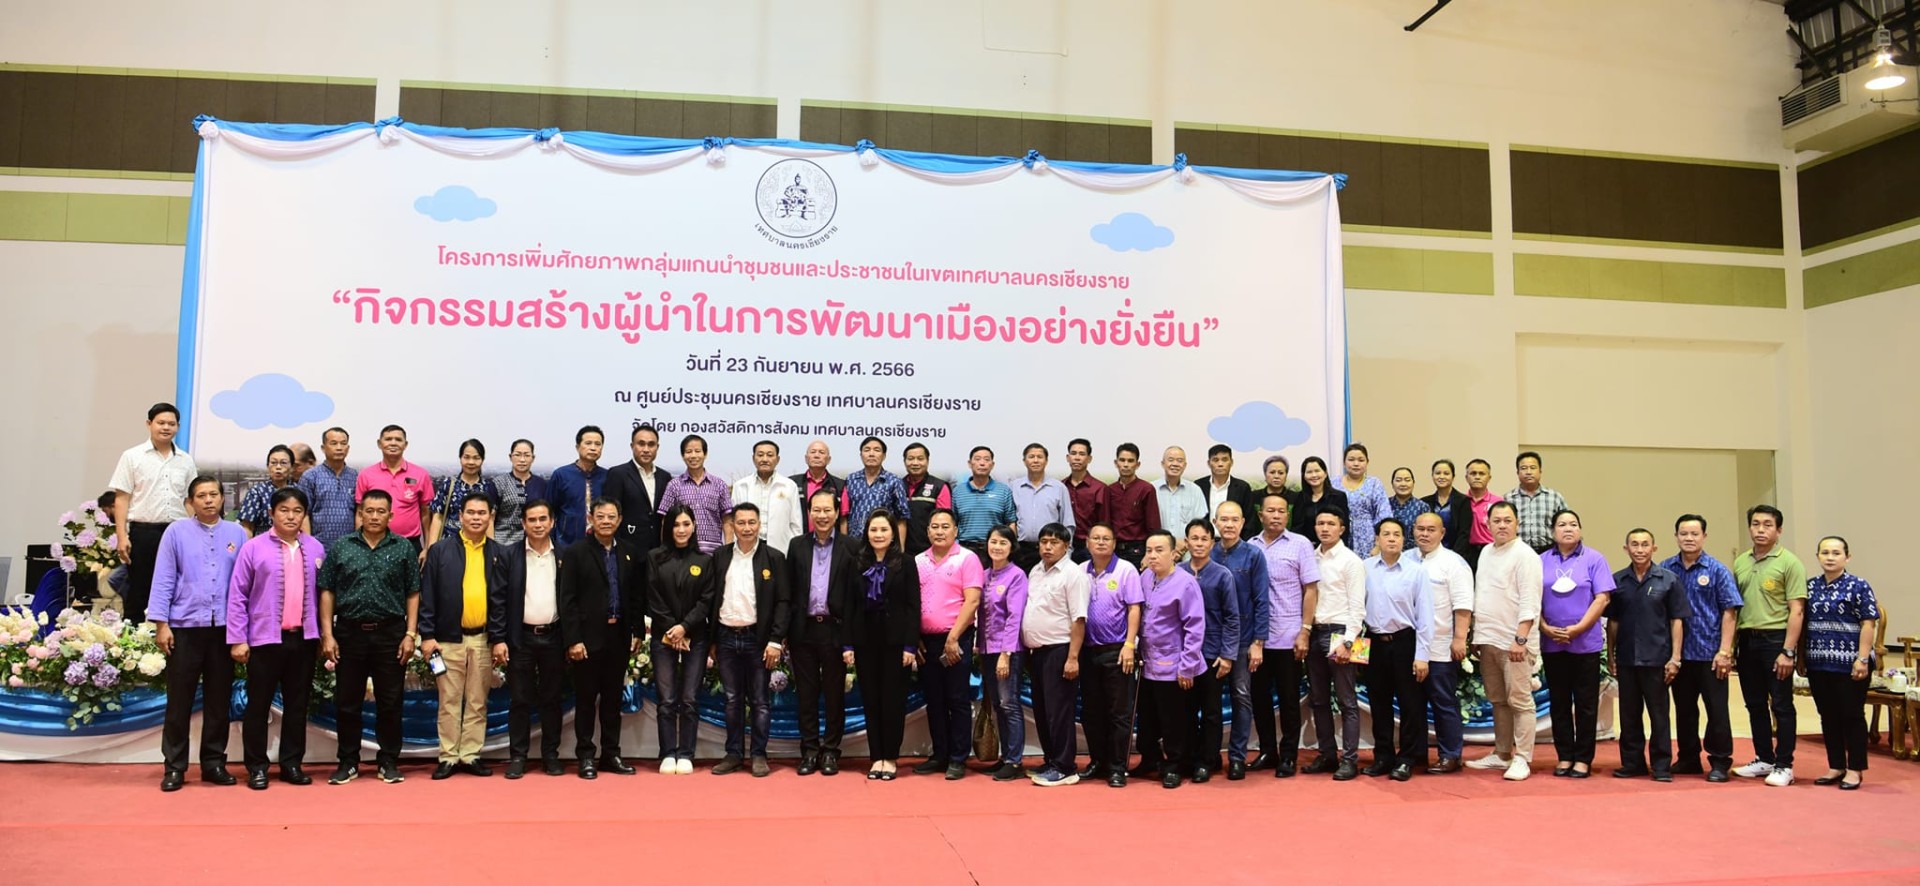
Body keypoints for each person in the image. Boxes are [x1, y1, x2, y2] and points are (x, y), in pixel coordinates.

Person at [315, 489, 420, 786]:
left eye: (380, 511)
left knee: (390, 701)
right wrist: (328, 634)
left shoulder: (403, 548)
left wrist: (410, 634)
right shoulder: (342, 546)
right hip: (350, 633)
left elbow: (413, 592)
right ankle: (348, 761)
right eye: (369, 511)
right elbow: (327, 591)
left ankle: (388, 761)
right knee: (347, 702)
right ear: (360, 513)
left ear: (391, 515)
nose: (374, 516)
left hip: (390, 633)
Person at [149, 475, 246, 791]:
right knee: (179, 701)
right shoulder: (176, 532)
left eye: (213, 494)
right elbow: (164, 578)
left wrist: (242, 630)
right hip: (185, 628)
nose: (208, 500)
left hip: (223, 630)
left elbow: (244, 584)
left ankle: (214, 763)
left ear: (223, 498)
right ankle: (174, 767)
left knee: (219, 701)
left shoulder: (236, 533)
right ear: (190, 502)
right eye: (201, 495)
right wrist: (161, 624)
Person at [226, 487, 323, 790]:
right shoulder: (253, 548)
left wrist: (323, 635)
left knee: (298, 705)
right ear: (271, 513)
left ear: (305, 515)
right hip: (264, 641)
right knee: (258, 706)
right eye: (284, 510)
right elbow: (237, 595)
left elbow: (324, 596)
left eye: (297, 511)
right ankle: (257, 767)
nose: (291, 516)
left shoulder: (316, 548)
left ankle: (292, 764)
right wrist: (238, 638)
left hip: (303, 640)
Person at [419, 493, 509, 779]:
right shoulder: (439, 551)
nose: (476, 518)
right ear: (460, 516)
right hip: (447, 640)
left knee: (477, 701)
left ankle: (470, 755)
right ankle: (448, 756)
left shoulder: (499, 553)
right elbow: (427, 596)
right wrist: (427, 635)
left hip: (483, 639)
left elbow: (502, 601)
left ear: (490, 517)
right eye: (471, 512)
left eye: (482, 513)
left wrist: (499, 638)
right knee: (449, 701)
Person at [558, 498, 644, 778]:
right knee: (585, 700)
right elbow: (567, 600)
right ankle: (585, 756)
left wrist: (637, 631)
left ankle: (611, 754)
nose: (606, 521)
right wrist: (573, 639)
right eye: (601, 516)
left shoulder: (629, 552)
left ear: (620, 520)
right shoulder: (576, 552)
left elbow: (635, 597)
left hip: (618, 635)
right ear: (591, 519)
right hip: (587, 638)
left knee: (612, 700)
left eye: (611, 516)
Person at [710, 502, 790, 778]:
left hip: (758, 639)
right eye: (741, 523)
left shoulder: (774, 558)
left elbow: (783, 602)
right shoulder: (720, 556)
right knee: (732, 699)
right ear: (732, 525)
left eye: (751, 522)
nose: (746, 528)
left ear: (759, 525)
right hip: (726, 637)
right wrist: (712, 640)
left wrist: (775, 640)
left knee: (759, 700)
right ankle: (733, 754)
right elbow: (711, 598)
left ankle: (758, 754)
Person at [1661, 514, 1743, 781]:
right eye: (1684, 533)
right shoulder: (1665, 568)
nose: (1689, 538)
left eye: (1694, 534)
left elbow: (1730, 612)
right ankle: (1688, 758)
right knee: (1684, 710)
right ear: (1676, 536)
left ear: (1704, 537)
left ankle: (1720, 761)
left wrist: (1725, 651)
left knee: (1716, 711)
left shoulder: (1717, 570)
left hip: (1710, 653)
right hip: (1678, 655)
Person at [840, 510, 921, 780]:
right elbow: (849, 605)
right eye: (873, 530)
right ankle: (876, 757)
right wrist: (847, 644)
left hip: (896, 643)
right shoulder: (856, 562)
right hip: (865, 642)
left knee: (893, 701)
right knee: (871, 700)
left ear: (893, 534)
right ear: (866, 533)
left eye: (884, 530)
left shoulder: (906, 563)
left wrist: (910, 646)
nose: (878, 535)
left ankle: (891, 757)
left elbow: (913, 606)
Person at [1732, 504, 1808, 787]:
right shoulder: (1741, 562)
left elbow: (1797, 610)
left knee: (1781, 704)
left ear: (1779, 530)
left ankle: (1784, 764)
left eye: (1767, 525)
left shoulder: (1789, 562)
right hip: (1747, 640)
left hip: (1776, 640)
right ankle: (1764, 758)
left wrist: (1788, 651)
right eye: (1755, 524)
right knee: (1754, 703)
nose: (1760, 530)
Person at [1466, 501, 1543, 782]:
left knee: (1520, 701)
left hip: (1515, 642)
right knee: (1498, 700)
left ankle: (1522, 757)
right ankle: (1502, 754)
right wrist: (1477, 635)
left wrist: (1520, 638)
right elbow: (1483, 594)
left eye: (1507, 520)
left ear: (1517, 523)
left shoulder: (1525, 556)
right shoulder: (1486, 552)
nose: (1501, 525)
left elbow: (1530, 601)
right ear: (1487, 524)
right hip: (1488, 639)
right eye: (1496, 520)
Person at [1246, 493, 1318, 778]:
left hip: (1289, 635)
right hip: (1257, 639)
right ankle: (1267, 751)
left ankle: (1288, 755)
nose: (1275, 516)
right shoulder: (1250, 546)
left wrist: (1305, 630)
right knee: (1260, 698)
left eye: (1281, 511)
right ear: (1260, 515)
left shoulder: (1300, 544)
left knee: (1289, 699)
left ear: (1287, 515)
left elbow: (1310, 590)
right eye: (1270, 511)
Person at [1606, 528, 1688, 782]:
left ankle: (1661, 766)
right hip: (1627, 659)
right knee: (1629, 715)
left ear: (1654, 548)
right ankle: (1633, 763)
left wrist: (1675, 658)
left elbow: (1676, 620)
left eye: (1645, 544)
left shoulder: (1669, 580)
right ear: (1626, 548)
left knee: (1659, 715)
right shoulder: (1617, 581)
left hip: (1657, 660)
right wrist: (1610, 655)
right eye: (1634, 544)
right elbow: (1613, 622)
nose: (1639, 549)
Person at [1538, 509, 1614, 778]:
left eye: (1573, 524)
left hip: (1585, 644)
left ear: (1580, 530)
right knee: (1558, 703)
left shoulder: (1594, 559)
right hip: (1552, 643)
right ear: (1552, 531)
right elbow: (1531, 598)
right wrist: (1544, 627)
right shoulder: (1541, 560)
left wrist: (1579, 628)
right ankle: (1564, 756)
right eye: (1561, 524)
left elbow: (1602, 598)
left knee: (1585, 704)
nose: (1568, 528)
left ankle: (1583, 758)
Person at [495, 499, 567, 778]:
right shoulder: (509, 555)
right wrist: (499, 638)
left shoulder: (564, 554)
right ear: (523, 524)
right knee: (520, 700)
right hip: (520, 639)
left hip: (554, 637)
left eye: (542, 519)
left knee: (552, 699)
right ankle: (518, 756)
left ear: (552, 522)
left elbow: (571, 601)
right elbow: (498, 600)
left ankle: (551, 755)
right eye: (532, 520)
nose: (538, 525)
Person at [909, 509, 982, 779]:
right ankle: (940, 754)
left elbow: (972, 601)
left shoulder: (967, 558)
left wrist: (953, 637)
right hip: (926, 641)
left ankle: (958, 757)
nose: (939, 531)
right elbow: (911, 603)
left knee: (957, 698)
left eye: (945, 526)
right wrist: (914, 637)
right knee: (934, 700)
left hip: (957, 638)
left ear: (956, 530)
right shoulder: (918, 561)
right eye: (935, 527)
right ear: (927, 531)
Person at [109, 402, 198, 623]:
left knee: (178, 587)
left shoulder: (186, 460)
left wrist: (195, 532)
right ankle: (135, 637)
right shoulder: (132, 456)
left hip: (178, 532)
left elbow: (189, 500)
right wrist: (121, 536)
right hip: (144, 533)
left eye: (171, 424)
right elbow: (122, 498)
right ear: (149, 424)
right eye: (161, 423)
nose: (166, 427)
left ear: (178, 427)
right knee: (140, 588)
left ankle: (173, 632)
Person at [785, 490, 852, 776]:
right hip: (804, 629)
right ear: (809, 513)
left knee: (835, 695)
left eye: (827, 510)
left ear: (836, 513)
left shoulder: (851, 546)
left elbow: (854, 596)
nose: (822, 516)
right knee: (807, 694)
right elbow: (789, 590)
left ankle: (831, 751)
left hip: (836, 630)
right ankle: (810, 751)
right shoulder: (796, 546)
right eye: (817, 510)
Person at [1803, 536, 1877, 791]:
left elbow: (1868, 623)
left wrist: (1862, 658)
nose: (1830, 557)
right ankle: (1836, 765)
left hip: (1850, 664)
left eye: (1836, 553)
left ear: (1847, 557)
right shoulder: (1810, 586)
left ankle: (1855, 769)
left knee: (1852, 715)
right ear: (1818, 556)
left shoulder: (1859, 586)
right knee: (1828, 715)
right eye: (1825, 552)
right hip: (1818, 663)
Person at [646, 505, 715, 776]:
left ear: (694, 526)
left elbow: (706, 600)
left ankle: (686, 753)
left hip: (695, 636)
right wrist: (671, 629)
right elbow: (652, 596)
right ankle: (667, 753)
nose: (681, 529)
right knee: (666, 699)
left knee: (689, 699)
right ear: (668, 528)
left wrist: (685, 627)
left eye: (686, 524)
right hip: (662, 636)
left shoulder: (705, 561)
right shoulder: (655, 557)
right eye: (676, 524)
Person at [1361, 518, 1431, 781]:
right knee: (1379, 703)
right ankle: (1383, 757)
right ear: (1377, 539)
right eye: (1386, 534)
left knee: (1410, 704)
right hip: (1374, 643)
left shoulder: (1416, 571)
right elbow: (1356, 608)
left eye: (1397, 534)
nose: (1391, 538)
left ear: (1404, 539)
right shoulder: (1365, 568)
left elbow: (1425, 616)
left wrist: (1422, 656)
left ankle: (1406, 759)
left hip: (1405, 642)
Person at [1136, 530, 1206, 789]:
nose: (1153, 556)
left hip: (1174, 665)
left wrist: (1187, 667)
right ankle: (1150, 759)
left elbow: (1195, 627)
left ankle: (1175, 764)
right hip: (1147, 663)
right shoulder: (1145, 577)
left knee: (1174, 720)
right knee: (1148, 718)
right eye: (1149, 550)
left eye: (1159, 550)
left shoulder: (1186, 583)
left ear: (1174, 554)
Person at [1022, 523, 1088, 786]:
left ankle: (1065, 767)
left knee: (1059, 711)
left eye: (1054, 542)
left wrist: (1072, 657)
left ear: (1067, 546)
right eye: (1044, 542)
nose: (1047, 547)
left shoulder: (1073, 574)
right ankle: (1051, 760)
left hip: (1060, 650)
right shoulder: (1036, 571)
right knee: (1042, 710)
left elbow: (1079, 619)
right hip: (1037, 652)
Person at [1210, 500, 1270, 779]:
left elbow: (1261, 599)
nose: (1229, 525)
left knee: (1242, 697)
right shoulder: (1207, 552)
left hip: (1244, 639)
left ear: (1243, 523)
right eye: (1224, 519)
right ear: (1215, 522)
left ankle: (1236, 756)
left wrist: (1259, 641)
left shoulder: (1253, 555)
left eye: (1235, 520)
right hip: (1212, 639)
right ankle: (1209, 755)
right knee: (1209, 701)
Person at [1409, 511, 1473, 773]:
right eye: (1420, 529)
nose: (1424, 534)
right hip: (1409, 646)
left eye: (1431, 530)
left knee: (1443, 701)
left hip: (1440, 645)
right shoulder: (1405, 559)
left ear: (1442, 533)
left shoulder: (1453, 563)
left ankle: (1450, 755)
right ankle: (1416, 754)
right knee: (1412, 703)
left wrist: (1459, 639)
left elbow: (1463, 605)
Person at [1304, 509, 1365, 780]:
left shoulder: (1351, 560)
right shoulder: (1310, 557)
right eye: (1320, 523)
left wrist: (1349, 641)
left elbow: (1358, 607)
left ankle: (1350, 760)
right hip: (1315, 630)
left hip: (1342, 633)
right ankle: (1327, 754)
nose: (1325, 528)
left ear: (1342, 528)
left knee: (1347, 700)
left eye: (1331, 523)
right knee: (1318, 699)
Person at [1081, 524, 1144, 785]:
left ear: (1115, 543)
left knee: (1119, 713)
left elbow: (1134, 609)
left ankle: (1118, 767)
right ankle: (1098, 761)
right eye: (1095, 538)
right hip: (1087, 651)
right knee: (1092, 712)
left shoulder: (1126, 570)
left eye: (1106, 538)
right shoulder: (1080, 571)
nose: (1100, 542)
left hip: (1118, 651)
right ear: (1087, 543)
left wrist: (1130, 645)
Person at [1178, 519, 1239, 783]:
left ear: (1212, 544)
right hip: (1183, 654)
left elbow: (1232, 618)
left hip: (1213, 653)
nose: (1199, 544)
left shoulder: (1223, 575)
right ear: (1186, 542)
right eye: (1194, 538)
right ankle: (1189, 758)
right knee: (1186, 710)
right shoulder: (1177, 572)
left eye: (1204, 539)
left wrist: (1227, 655)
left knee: (1211, 711)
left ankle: (1208, 760)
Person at [976, 525, 1029, 781]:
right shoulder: (984, 575)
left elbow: (1014, 617)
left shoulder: (1017, 575)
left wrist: (1005, 654)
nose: (997, 547)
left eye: (1003, 543)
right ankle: (1005, 756)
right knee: (998, 705)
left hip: (1007, 650)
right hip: (987, 649)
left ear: (1011, 547)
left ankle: (1015, 761)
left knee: (1009, 703)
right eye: (993, 541)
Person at [354, 425, 434, 555]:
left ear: (405, 444)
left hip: (410, 543)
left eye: (398, 439)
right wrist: (359, 546)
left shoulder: (420, 474)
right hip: (373, 543)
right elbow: (359, 513)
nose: (393, 443)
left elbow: (425, 513)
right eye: (388, 439)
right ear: (379, 443)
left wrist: (427, 548)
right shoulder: (366, 475)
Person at [658, 434, 733, 554]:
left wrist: (728, 552)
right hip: (682, 552)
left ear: (705, 454)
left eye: (697, 451)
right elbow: (665, 521)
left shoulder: (719, 485)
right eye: (688, 452)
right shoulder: (674, 485)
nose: (693, 456)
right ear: (683, 455)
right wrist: (665, 551)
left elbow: (727, 521)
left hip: (713, 553)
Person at [604, 424, 672, 554]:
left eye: (651, 445)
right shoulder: (618, 474)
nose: (646, 449)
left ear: (657, 447)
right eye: (641, 444)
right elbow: (611, 513)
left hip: (658, 551)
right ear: (632, 446)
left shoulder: (665, 477)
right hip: (627, 549)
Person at [732, 440, 804, 553]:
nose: (765, 459)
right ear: (753, 458)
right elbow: (734, 521)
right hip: (746, 548)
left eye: (770, 455)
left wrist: (794, 551)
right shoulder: (741, 486)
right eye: (760, 455)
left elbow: (796, 524)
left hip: (781, 549)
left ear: (778, 459)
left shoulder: (789, 486)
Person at [426, 439, 500, 548]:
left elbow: (490, 521)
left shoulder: (488, 487)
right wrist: (431, 548)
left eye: (476, 458)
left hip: (478, 545)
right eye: (466, 457)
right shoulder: (449, 484)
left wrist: (491, 549)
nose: (471, 462)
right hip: (449, 545)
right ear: (460, 458)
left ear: (482, 460)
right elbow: (438, 518)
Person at [952, 446, 1018, 564]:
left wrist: (1011, 551)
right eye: (977, 459)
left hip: (995, 550)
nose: (982, 463)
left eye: (986, 460)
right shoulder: (958, 491)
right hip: (965, 550)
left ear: (992, 465)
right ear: (970, 463)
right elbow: (953, 523)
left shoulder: (1004, 491)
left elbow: (1011, 523)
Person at [1011, 443, 1072, 571]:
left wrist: (1067, 552)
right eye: (1031, 457)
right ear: (1024, 461)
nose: (1035, 460)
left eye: (1039, 457)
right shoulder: (1014, 487)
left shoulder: (1059, 488)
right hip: (1022, 550)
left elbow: (1067, 523)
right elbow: (1010, 520)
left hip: (1052, 548)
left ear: (1046, 461)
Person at [298, 427, 359, 550]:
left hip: (350, 548)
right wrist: (308, 546)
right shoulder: (310, 476)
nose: (339, 447)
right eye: (333, 443)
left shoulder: (356, 476)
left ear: (348, 448)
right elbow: (303, 514)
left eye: (343, 443)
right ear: (323, 448)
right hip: (319, 546)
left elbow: (360, 513)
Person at [547, 426, 609, 548]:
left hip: (600, 544)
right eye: (588, 443)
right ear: (577, 447)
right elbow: (549, 510)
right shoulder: (561, 475)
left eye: (598, 444)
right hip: (566, 544)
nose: (593, 448)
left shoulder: (607, 476)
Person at [842, 436, 913, 536]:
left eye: (877, 450)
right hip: (854, 541)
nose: (871, 454)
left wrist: (899, 545)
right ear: (861, 455)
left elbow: (902, 518)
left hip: (883, 539)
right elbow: (844, 516)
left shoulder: (894, 481)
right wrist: (845, 543)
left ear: (884, 456)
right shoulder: (851, 480)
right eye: (867, 450)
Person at [1105, 443, 1160, 567]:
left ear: (1137, 464)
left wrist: (1149, 554)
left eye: (1130, 461)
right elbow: (1106, 522)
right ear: (1116, 463)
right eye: (1122, 460)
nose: (1126, 465)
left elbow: (1153, 526)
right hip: (1113, 550)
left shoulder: (1146, 489)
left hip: (1138, 551)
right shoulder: (1109, 490)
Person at [1507, 451, 1568, 554]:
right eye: (1524, 468)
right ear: (1517, 472)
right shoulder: (1508, 499)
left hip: (1549, 551)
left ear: (1540, 471)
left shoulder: (1554, 497)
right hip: (1517, 552)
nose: (1528, 472)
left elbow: (1566, 524)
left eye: (1533, 468)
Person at [899, 442, 952, 556]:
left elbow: (944, 522)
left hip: (931, 552)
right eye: (911, 459)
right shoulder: (897, 486)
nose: (915, 463)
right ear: (905, 461)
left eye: (920, 458)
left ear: (927, 461)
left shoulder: (939, 486)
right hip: (903, 553)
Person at [1337, 443, 1390, 556]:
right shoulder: (1334, 483)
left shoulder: (1374, 483)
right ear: (1344, 463)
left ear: (1367, 462)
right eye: (1351, 460)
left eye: (1361, 460)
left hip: (1368, 540)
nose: (1356, 463)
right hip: (1339, 538)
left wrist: (1378, 545)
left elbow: (1384, 515)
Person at [492, 439, 546, 547]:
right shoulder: (498, 483)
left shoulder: (541, 484)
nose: (522, 459)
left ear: (533, 458)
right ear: (510, 457)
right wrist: (491, 547)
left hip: (533, 544)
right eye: (517, 455)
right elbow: (490, 518)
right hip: (502, 543)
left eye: (527, 455)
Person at [235, 445, 297, 536]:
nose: (278, 467)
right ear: (268, 466)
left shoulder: (298, 491)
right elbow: (248, 527)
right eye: (273, 463)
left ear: (292, 467)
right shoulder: (257, 491)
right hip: (263, 540)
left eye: (283, 463)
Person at [1063, 438, 1107, 562]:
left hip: (1089, 547)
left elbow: (1104, 522)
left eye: (1082, 454)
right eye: (1073, 453)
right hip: (1064, 546)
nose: (1077, 458)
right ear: (1068, 458)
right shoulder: (1061, 487)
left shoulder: (1099, 488)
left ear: (1089, 459)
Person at [1420, 459, 1472, 558]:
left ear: (1453, 477)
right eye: (1438, 473)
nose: (1441, 476)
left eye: (1446, 473)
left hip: (1456, 555)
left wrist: (1453, 557)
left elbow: (1464, 534)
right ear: (1432, 476)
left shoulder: (1463, 501)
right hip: (1429, 555)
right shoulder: (1424, 502)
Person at [1289, 456, 1348, 544]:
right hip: (1306, 547)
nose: (1314, 475)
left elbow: (1343, 526)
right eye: (1309, 472)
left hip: (1331, 546)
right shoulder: (1299, 498)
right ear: (1304, 476)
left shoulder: (1338, 497)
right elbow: (1297, 528)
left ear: (1325, 473)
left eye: (1317, 471)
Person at [1155, 447, 1208, 539]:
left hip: (1187, 546)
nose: (1175, 464)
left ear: (1185, 465)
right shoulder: (1151, 489)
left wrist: (1185, 543)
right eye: (1171, 460)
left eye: (1180, 460)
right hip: (1158, 545)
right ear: (1163, 464)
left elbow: (1199, 524)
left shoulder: (1195, 490)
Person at [1462, 458, 1502, 569]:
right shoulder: (1461, 501)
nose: (1477, 477)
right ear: (1466, 477)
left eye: (1482, 474)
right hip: (1467, 552)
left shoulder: (1498, 502)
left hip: (1492, 550)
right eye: (1473, 473)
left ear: (1489, 477)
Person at [1202, 445, 1258, 523]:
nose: (1220, 464)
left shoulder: (1242, 487)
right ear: (1208, 463)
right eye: (1215, 460)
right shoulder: (1199, 486)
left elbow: (1249, 520)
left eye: (1224, 460)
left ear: (1231, 462)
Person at [790, 439, 846, 506]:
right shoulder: (791, 483)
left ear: (829, 459)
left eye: (821, 452)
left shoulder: (840, 485)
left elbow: (844, 512)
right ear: (806, 458)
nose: (816, 456)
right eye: (813, 452)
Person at [1385, 467, 1431, 537]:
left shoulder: (1422, 507)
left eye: (1407, 480)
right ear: (1392, 484)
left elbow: (1427, 533)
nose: (1403, 484)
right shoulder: (1384, 505)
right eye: (1398, 480)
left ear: (1413, 483)